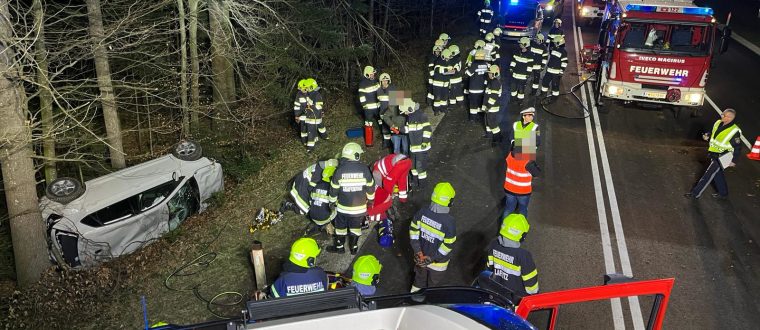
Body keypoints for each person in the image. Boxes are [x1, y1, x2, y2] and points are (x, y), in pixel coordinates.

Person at [327, 143, 375, 254]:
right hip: (359, 210)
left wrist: (332, 202)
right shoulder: (364, 169)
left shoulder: (339, 171)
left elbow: (333, 190)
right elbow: (370, 188)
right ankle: (353, 248)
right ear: (356, 155)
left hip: (342, 209)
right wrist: (371, 201)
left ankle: (340, 248)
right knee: (355, 228)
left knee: (340, 228)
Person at [685, 109, 743, 199]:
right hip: (714, 153)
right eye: (722, 114)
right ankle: (723, 193)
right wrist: (707, 136)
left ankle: (695, 194)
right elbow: (714, 134)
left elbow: (738, 147)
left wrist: (733, 160)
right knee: (718, 174)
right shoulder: (718, 123)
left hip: (724, 156)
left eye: (724, 115)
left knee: (708, 174)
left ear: (730, 118)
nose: (722, 116)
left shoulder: (734, 131)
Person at [409, 182, 457, 292]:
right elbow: (448, 245)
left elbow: (413, 231)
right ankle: (430, 302)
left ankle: (414, 298)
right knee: (433, 285)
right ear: (450, 201)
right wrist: (432, 258)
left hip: (420, 258)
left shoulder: (422, 212)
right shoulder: (449, 222)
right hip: (438, 264)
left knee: (419, 279)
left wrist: (418, 251)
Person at [486, 213, 539, 297]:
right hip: (515, 297)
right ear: (522, 236)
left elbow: (489, 268)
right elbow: (531, 282)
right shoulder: (524, 255)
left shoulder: (493, 245)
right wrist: (533, 295)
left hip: (495, 291)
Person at [280, 159, 339, 234]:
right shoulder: (325, 172)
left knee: (313, 204)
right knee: (303, 209)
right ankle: (288, 205)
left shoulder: (330, 170)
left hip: (308, 180)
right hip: (303, 183)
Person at [503, 108, 539, 217]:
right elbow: (537, 173)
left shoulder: (509, 157)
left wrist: (517, 145)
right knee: (523, 209)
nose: (530, 117)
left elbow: (536, 141)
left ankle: (503, 230)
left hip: (509, 188)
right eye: (528, 115)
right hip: (523, 191)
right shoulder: (528, 162)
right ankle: (521, 229)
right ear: (523, 116)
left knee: (508, 209)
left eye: (531, 115)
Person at [402, 99, 432, 188]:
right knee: (413, 167)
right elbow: (409, 129)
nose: (405, 113)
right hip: (413, 148)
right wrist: (399, 129)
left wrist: (425, 142)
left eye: (406, 111)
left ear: (411, 108)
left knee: (420, 167)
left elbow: (427, 129)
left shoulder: (421, 115)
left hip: (421, 148)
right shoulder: (410, 117)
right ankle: (415, 182)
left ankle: (422, 185)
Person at [540, 36, 568, 101]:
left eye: (555, 43)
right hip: (549, 70)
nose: (554, 44)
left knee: (555, 85)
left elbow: (564, 62)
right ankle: (543, 93)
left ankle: (554, 98)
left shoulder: (563, 52)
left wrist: (561, 72)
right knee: (545, 82)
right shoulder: (554, 49)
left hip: (556, 72)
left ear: (559, 43)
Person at [359, 66, 381, 146]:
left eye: (373, 74)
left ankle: (384, 138)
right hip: (368, 109)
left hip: (378, 107)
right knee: (368, 124)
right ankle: (369, 143)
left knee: (381, 121)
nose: (373, 76)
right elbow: (361, 96)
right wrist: (364, 106)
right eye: (371, 74)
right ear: (367, 74)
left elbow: (380, 91)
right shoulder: (362, 83)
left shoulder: (375, 81)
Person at [466, 50, 489, 122]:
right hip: (482, 88)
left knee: (473, 104)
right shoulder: (486, 64)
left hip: (473, 88)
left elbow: (468, 74)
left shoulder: (474, 64)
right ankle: (480, 118)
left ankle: (473, 118)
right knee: (480, 103)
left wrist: (467, 68)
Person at [509, 37, 534, 105]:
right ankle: (513, 99)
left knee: (521, 89)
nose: (520, 45)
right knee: (513, 87)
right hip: (515, 74)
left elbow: (530, 66)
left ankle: (520, 101)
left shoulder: (530, 55)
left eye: (521, 44)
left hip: (523, 76)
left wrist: (528, 74)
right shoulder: (517, 52)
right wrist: (511, 67)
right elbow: (514, 61)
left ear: (525, 44)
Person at [483, 65, 503, 140]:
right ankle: (489, 135)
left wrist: (488, 106)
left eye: (491, 73)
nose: (489, 74)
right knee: (487, 121)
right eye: (489, 73)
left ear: (496, 73)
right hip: (489, 106)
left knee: (492, 123)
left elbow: (493, 96)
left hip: (492, 107)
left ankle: (498, 136)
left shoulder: (495, 82)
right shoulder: (492, 81)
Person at [377, 73, 396, 148]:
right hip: (382, 113)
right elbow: (378, 102)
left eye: (386, 80)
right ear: (381, 82)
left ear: (389, 81)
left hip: (391, 113)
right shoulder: (378, 90)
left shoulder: (393, 88)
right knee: (384, 129)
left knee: (393, 129)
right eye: (383, 81)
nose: (385, 82)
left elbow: (398, 102)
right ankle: (386, 143)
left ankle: (394, 144)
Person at [432, 49, 453, 116]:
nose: (448, 59)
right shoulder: (438, 61)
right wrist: (447, 69)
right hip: (438, 84)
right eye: (447, 58)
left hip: (445, 84)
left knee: (444, 98)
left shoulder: (449, 61)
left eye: (449, 58)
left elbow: (451, 71)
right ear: (443, 56)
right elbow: (437, 69)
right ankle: (436, 110)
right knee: (437, 98)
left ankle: (443, 109)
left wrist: (452, 71)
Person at [293, 79, 310, 147]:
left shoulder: (311, 94)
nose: (301, 90)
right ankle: (304, 142)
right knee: (303, 130)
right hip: (302, 117)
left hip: (311, 115)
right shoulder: (299, 95)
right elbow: (296, 106)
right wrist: (297, 116)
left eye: (302, 88)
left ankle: (312, 141)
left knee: (311, 128)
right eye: (300, 89)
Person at [428, 40, 445, 105]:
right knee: (431, 90)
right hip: (432, 77)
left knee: (434, 90)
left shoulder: (439, 57)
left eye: (439, 51)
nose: (437, 52)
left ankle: (432, 101)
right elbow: (430, 67)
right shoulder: (432, 57)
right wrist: (433, 75)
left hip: (437, 77)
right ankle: (429, 102)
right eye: (436, 51)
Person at [447, 45, 464, 109]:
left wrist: (445, 73)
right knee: (454, 92)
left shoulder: (456, 59)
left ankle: (456, 104)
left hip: (455, 79)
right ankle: (458, 104)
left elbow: (455, 71)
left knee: (455, 92)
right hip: (453, 79)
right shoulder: (454, 58)